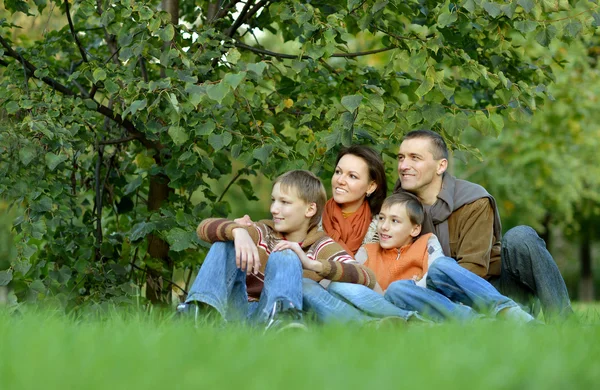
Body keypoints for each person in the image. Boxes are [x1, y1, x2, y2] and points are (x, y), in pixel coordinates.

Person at [392, 129, 574, 322]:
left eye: (415, 158)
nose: (404, 165)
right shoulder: (395, 208)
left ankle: (563, 322)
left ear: (441, 166)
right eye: (401, 157)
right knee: (398, 290)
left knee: (521, 237)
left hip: (492, 291)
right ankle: (488, 323)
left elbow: (473, 270)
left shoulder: (473, 200)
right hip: (436, 297)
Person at [178, 170, 377, 330]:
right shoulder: (263, 231)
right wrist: (238, 231)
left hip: (266, 315)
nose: (274, 209)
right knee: (224, 241)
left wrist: (311, 264)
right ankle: (198, 311)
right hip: (236, 309)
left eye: (284, 202)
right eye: (273, 200)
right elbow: (204, 227)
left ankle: (283, 320)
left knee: (287, 254)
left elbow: (366, 276)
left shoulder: (320, 245)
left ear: (310, 209)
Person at [304, 192, 534, 323]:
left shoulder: (426, 243)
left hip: (431, 300)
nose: (384, 227)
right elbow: (365, 286)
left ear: (414, 229)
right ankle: (479, 323)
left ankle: (508, 312)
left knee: (441, 266)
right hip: (391, 304)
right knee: (389, 289)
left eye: (395, 221)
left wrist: (413, 285)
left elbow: (436, 276)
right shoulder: (368, 252)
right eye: (382, 219)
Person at [320, 145, 388, 256]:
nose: (340, 180)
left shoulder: (380, 229)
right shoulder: (313, 217)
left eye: (352, 176)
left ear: (370, 186)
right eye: (338, 172)